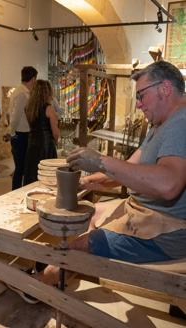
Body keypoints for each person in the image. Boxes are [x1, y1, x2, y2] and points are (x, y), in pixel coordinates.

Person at [14, 61, 186, 299]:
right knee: (90, 212)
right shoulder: (161, 124)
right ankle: (66, 270)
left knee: (78, 247)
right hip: (144, 212)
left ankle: (36, 286)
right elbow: (131, 168)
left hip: (165, 231)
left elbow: (169, 185)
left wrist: (102, 161)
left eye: (141, 96)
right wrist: (89, 180)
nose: (138, 104)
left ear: (165, 88)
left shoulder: (181, 123)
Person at [23, 80, 59, 185]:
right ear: (47, 92)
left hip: (32, 143)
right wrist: (56, 141)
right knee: (46, 174)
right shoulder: (48, 108)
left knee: (32, 171)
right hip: (46, 145)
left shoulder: (28, 108)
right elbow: (55, 131)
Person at [8, 66, 38, 190]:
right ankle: (16, 192)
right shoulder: (22, 94)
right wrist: (11, 132)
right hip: (21, 134)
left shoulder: (20, 90)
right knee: (21, 167)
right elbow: (15, 116)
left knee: (22, 166)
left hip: (21, 133)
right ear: (33, 78)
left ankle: (20, 190)